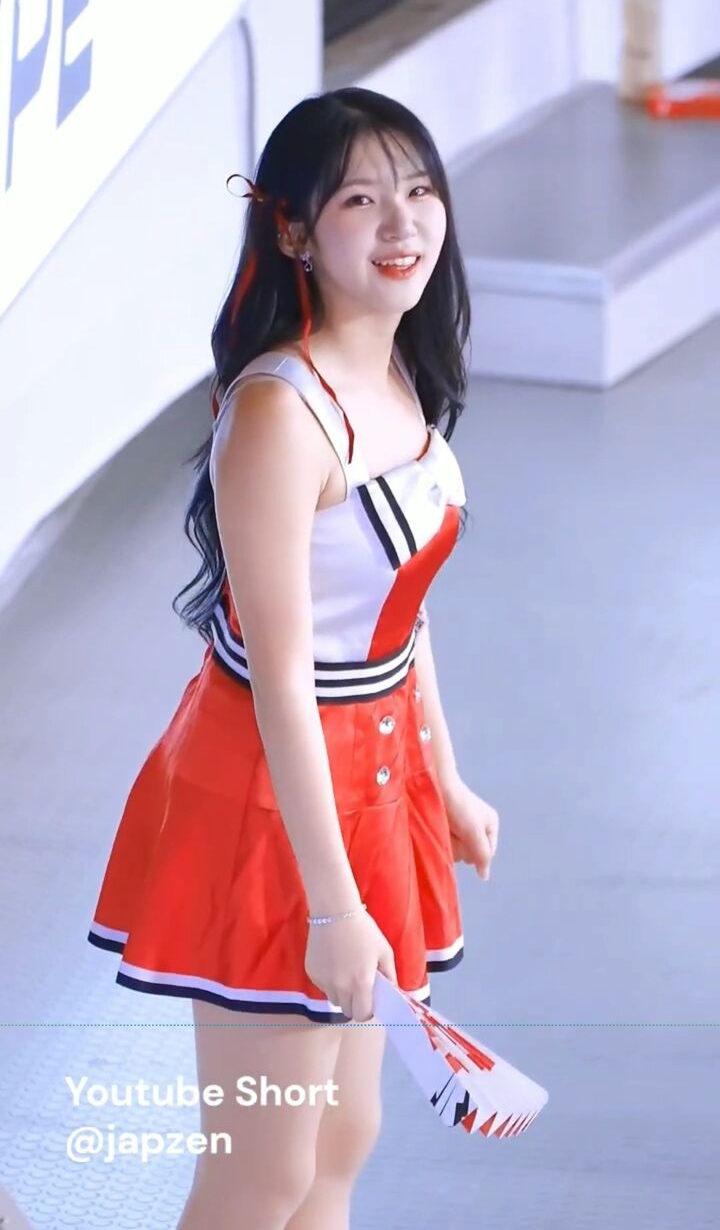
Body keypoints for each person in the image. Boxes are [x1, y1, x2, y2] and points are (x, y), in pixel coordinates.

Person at [87, 86, 500, 1230]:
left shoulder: (400, 368)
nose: (403, 222)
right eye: (361, 200)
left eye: (419, 189)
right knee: (263, 1168)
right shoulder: (280, 411)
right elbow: (281, 680)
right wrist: (329, 903)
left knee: (342, 1138)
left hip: (372, 781)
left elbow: (399, 611)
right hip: (270, 803)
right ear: (293, 229)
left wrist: (444, 777)